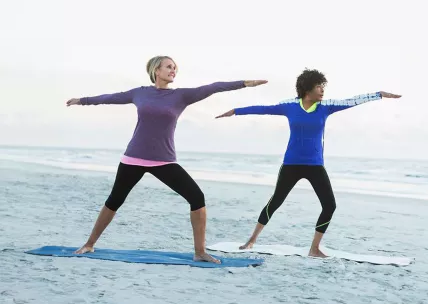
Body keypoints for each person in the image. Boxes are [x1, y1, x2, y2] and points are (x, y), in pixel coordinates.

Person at [66, 55, 267, 263]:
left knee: (197, 198)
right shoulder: (140, 93)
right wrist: (83, 101)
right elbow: (111, 98)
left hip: (164, 160)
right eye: (169, 67)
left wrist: (244, 84)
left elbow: (213, 87)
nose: (173, 71)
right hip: (133, 157)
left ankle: (199, 252)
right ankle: (89, 244)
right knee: (114, 201)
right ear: (156, 71)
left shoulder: (181, 96)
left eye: (175, 68)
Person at [215, 68, 401, 257]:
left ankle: (314, 248)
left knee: (329, 205)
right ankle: (251, 240)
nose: (322, 90)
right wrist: (236, 111)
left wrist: (379, 95)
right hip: (291, 165)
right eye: (319, 86)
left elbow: (352, 101)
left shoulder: (326, 106)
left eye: (323, 86)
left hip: (315, 165)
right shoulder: (290, 106)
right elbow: (263, 109)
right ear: (307, 88)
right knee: (275, 202)